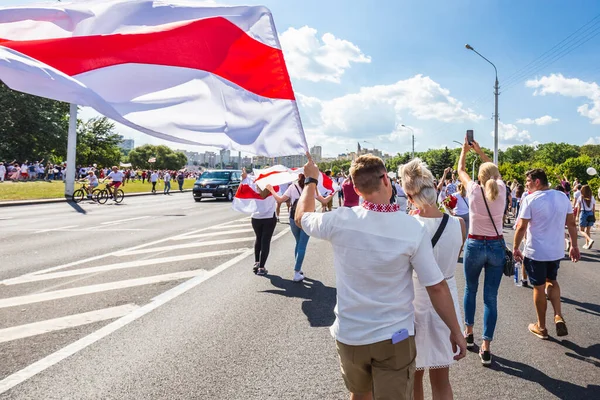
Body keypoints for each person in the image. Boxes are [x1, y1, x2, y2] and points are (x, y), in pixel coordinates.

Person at [295, 153, 466, 400]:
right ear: (386, 179)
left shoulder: (339, 220)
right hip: (393, 336)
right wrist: (456, 331)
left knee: (360, 393)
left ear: (355, 187)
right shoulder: (411, 228)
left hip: (351, 335)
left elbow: (302, 217)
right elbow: (436, 286)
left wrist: (311, 181)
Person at [400, 158, 466, 400]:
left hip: (414, 298)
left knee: (414, 376)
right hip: (446, 300)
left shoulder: (407, 225)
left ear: (410, 196)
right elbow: (453, 258)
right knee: (441, 380)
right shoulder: (459, 224)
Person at [513, 169, 580, 340]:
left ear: (537, 182)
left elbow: (521, 227)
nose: (526, 183)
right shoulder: (562, 197)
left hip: (536, 252)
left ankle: (541, 327)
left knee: (539, 287)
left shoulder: (530, 199)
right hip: (556, 250)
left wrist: (515, 247)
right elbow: (571, 224)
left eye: (528, 180)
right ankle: (557, 315)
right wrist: (574, 245)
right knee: (552, 281)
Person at [457, 136, 506, 365]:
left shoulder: (474, 190)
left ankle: (468, 332)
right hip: (496, 245)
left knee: (470, 288)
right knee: (491, 297)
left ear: (479, 178)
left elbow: (460, 170)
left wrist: (466, 151)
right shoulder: (503, 189)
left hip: (475, 244)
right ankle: (486, 346)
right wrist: (482, 153)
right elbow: (495, 174)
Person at [267, 175, 332, 281]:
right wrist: (333, 191)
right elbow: (324, 201)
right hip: (308, 218)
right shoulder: (311, 188)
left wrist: (271, 190)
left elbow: (279, 200)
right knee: (302, 245)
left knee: (298, 243)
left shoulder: (293, 186)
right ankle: (297, 271)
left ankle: (298, 267)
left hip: (294, 217)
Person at [242, 168, 277, 276]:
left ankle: (257, 262)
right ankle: (262, 268)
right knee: (265, 242)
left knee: (258, 239)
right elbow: (280, 197)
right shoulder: (274, 186)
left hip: (256, 217)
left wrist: (244, 177)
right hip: (269, 217)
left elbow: (244, 185)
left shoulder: (254, 185)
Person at [576, 185, 596, 249]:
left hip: (584, 213)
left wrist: (577, 216)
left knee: (581, 230)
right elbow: (593, 208)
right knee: (588, 230)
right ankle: (587, 244)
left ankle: (590, 240)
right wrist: (594, 216)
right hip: (590, 213)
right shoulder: (592, 197)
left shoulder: (580, 198)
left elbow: (579, 208)